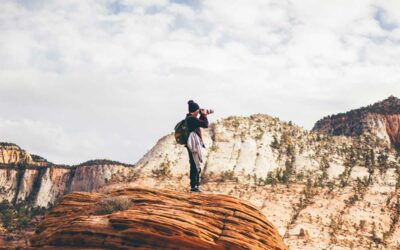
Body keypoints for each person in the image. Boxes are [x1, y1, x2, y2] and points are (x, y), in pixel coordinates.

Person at [185, 100, 208, 192]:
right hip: (193, 144)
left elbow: (201, 122)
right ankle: (194, 186)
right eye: (198, 111)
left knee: (195, 163)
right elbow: (205, 124)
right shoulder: (191, 119)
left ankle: (195, 186)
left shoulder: (190, 118)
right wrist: (204, 115)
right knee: (195, 164)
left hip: (192, 143)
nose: (199, 112)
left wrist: (202, 115)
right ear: (195, 111)